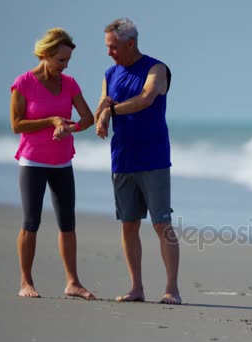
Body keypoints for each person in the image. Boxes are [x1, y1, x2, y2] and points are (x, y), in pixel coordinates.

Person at [95, 18, 181, 304]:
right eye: (108, 47)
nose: (109, 52)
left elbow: (145, 99)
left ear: (130, 43)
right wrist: (101, 116)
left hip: (154, 158)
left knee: (161, 224)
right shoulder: (110, 73)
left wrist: (111, 112)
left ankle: (171, 289)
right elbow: (101, 108)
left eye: (113, 47)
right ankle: (136, 288)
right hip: (122, 159)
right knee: (128, 225)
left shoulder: (157, 69)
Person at [10, 28, 96, 300]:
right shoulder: (23, 83)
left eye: (68, 60)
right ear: (46, 55)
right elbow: (17, 124)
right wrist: (53, 120)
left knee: (67, 223)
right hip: (32, 160)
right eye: (61, 59)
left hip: (61, 162)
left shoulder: (69, 84)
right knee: (31, 222)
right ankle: (26, 282)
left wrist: (69, 128)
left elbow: (88, 118)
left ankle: (73, 282)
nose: (65, 65)